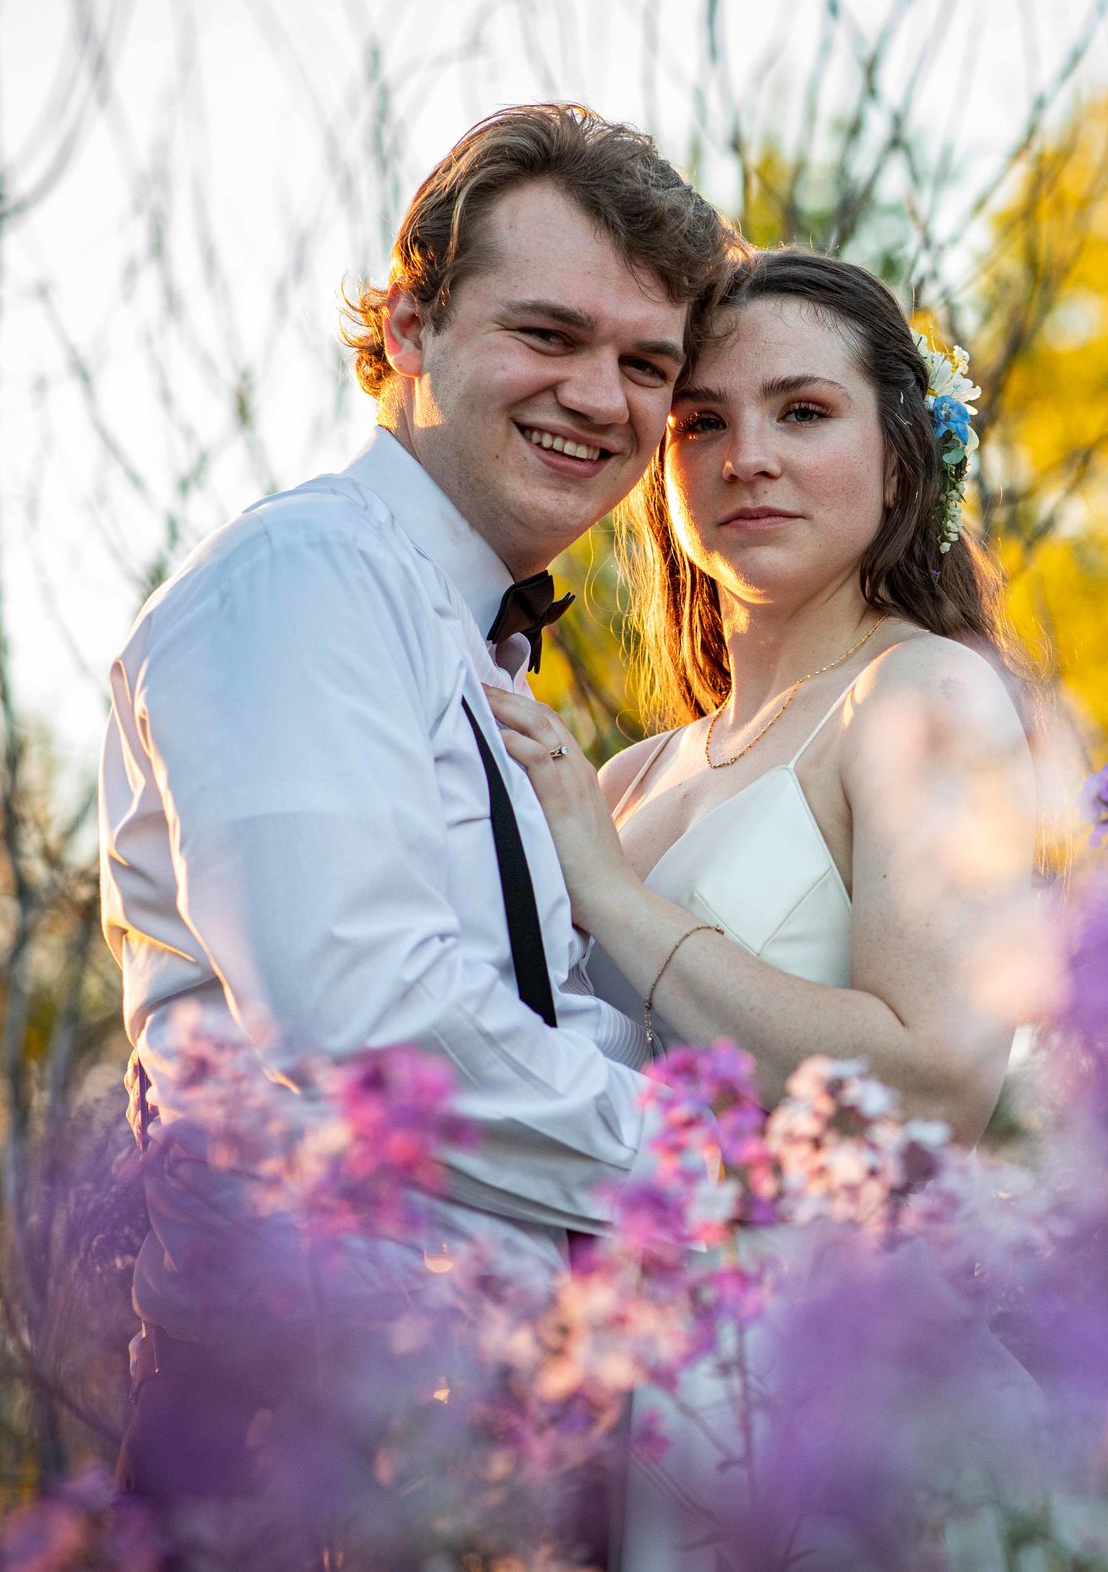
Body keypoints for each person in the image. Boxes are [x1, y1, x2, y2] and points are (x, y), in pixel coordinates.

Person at [96, 103, 734, 1536]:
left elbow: (529, 1015)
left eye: (646, 363)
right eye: (548, 334)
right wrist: (717, 1173)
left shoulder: (473, 651)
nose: (600, 397)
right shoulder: (300, 583)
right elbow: (363, 1013)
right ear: (406, 325)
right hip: (294, 1462)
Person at [487, 249, 1108, 1569]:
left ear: (904, 456)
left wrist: (614, 900)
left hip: (869, 1412)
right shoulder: (626, 779)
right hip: (668, 1399)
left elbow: (935, 1081)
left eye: (803, 411)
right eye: (703, 423)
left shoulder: (927, 700)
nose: (748, 458)